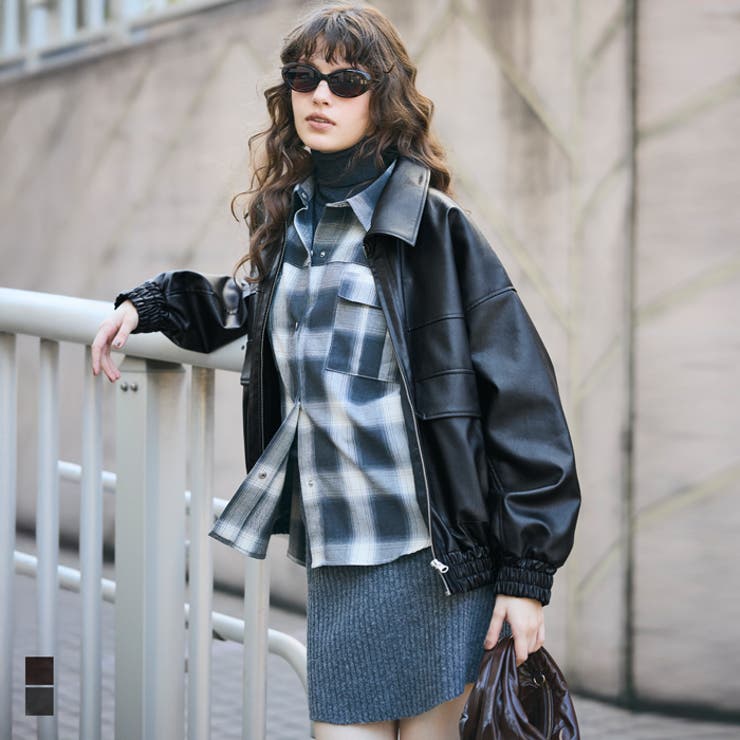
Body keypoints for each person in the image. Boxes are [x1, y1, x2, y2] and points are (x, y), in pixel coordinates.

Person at [91, 3, 581, 738]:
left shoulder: (435, 233)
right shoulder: (295, 225)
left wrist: (527, 578)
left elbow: (524, 400)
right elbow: (253, 306)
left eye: (346, 81)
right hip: (337, 563)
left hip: (434, 563)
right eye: (304, 77)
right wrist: (153, 305)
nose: (320, 95)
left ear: (382, 97)